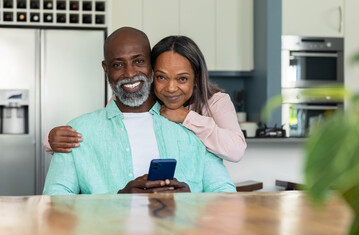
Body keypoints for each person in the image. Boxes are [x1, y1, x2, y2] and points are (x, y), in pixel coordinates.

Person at [42, 27, 236, 195]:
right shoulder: (78, 131)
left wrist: (191, 199)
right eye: (118, 65)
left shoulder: (192, 126)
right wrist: (118, 200)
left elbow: (226, 193)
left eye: (138, 62)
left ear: (152, 66)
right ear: (105, 69)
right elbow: (54, 201)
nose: (130, 74)